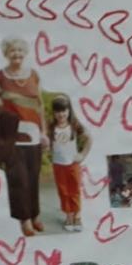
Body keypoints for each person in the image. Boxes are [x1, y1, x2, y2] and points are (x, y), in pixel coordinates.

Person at [0, 38, 49, 237]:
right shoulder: (0, 77)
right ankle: (25, 219)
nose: (17, 54)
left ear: (25, 53)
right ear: (6, 53)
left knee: (33, 178)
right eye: (13, 51)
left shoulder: (34, 75)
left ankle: (35, 214)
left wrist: (44, 133)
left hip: (34, 136)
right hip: (13, 138)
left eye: (20, 50)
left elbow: (39, 106)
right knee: (18, 179)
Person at [48, 95, 90, 232]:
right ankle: (69, 216)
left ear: (69, 111)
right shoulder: (51, 127)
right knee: (63, 191)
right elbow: (46, 143)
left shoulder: (74, 125)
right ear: (54, 113)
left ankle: (77, 216)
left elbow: (89, 138)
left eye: (64, 111)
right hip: (58, 165)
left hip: (73, 164)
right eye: (57, 111)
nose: (61, 114)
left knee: (75, 190)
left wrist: (82, 154)